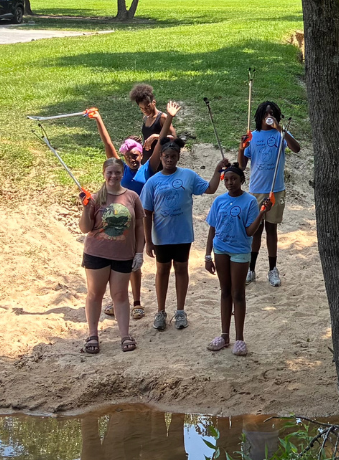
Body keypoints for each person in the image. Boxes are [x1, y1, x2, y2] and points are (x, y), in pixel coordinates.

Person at [91, 102, 179, 319]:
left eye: (135, 155)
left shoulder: (147, 170)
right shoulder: (120, 170)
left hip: (137, 222)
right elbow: (108, 144)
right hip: (117, 222)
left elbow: (162, 143)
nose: (132, 158)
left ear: (142, 155)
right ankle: (117, 299)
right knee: (116, 262)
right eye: (128, 155)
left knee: (133, 264)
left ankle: (137, 302)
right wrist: (98, 118)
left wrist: (168, 117)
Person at [140, 137, 227, 331]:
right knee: (162, 271)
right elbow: (147, 212)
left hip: (182, 234)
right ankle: (161, 311)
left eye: (173, 156)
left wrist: (217, 170)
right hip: (161, 236)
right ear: (161, 157)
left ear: (178, 157)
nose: (169, 160)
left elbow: (210, 188)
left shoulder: (188, 175)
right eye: (166, 156)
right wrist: (148, 240)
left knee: (181, 269)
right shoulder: (153, 182)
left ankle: (180, 311)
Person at [78, 157, 146, 354]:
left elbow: (140, 226)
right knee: (95, 294)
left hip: (123, 255)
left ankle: (125, 334)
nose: (114, 176)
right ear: (104, 174)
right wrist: (85, 208)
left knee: (120, 295)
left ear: (122, 173)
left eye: (117, 172)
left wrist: (139, 253)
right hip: (96, 253)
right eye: (110, 172)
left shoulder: (132, 197)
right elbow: (85, 228)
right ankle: (92, 334)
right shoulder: (95, 197)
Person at [202, 164, 269, 357]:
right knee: (225, 292)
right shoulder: (219, 201)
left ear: (242, 180)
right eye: (227, 179)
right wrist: (208, 255)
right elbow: (212, 229)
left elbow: (250, 231)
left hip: (240, 251)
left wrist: (262, 213)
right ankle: (224, 335)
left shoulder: (249, 202)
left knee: (238, 293)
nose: (230, 183)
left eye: (234, 179)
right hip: (220, 249)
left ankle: (239, 338)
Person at [239, 101, 300, 287]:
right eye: (266, 113)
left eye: (272, 113)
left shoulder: (280, 134)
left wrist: (280, 128)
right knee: (256, 231)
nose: (269, 115)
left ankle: (272, 269)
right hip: (256, 189)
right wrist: (241, 147)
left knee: (271, 229)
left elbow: (296, 148)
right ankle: (251, 269)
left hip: (276, 189)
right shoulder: (253, 136)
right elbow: (241, 165)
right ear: (259, 116)